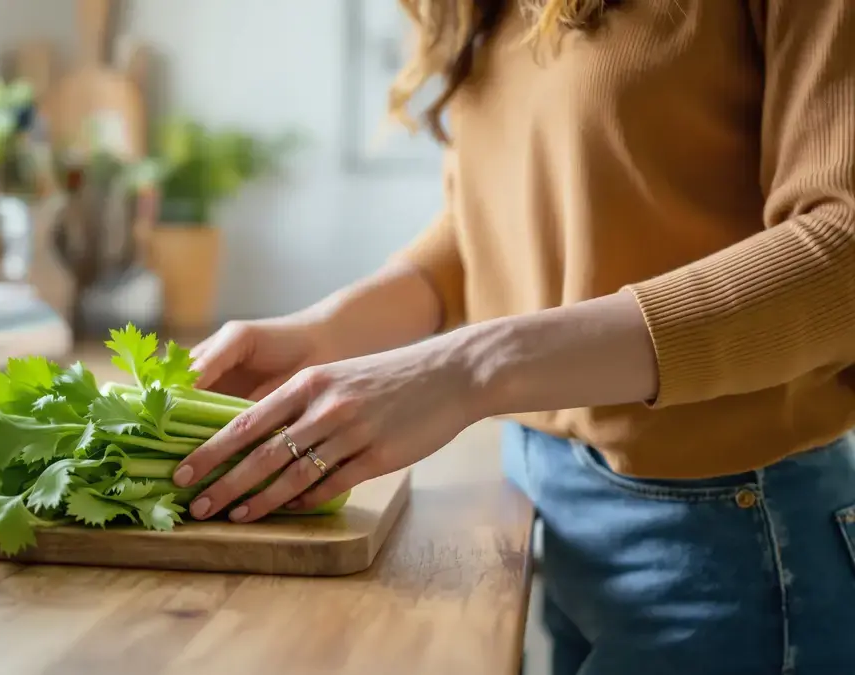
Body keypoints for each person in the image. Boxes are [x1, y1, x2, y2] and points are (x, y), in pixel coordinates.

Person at [168, 0, 855, 673]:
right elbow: (492, 222)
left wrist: (473, 365)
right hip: (543, 496)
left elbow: (841, 254)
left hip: (728, 531)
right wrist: (326, 332)